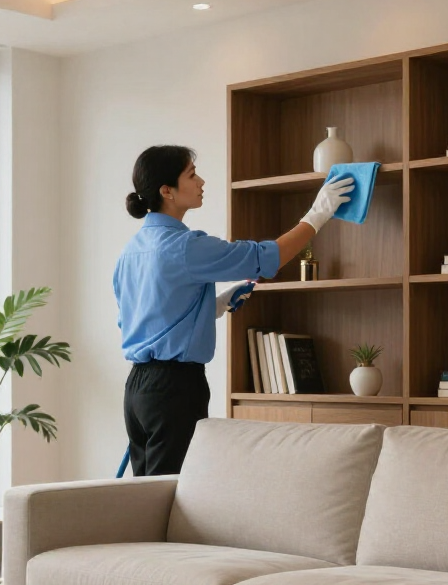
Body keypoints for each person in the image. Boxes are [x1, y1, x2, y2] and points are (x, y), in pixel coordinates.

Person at [114, 144, 353, 476]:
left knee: (148, 496)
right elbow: (265, 258)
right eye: (192, 175)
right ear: (166, 190)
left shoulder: (131, 251)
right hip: (174, 389)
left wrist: (213, 306)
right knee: (169, 496)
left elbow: (148, 317)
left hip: (138, 390)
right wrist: (318, 213)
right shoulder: (185, 247)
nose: (201, 182)